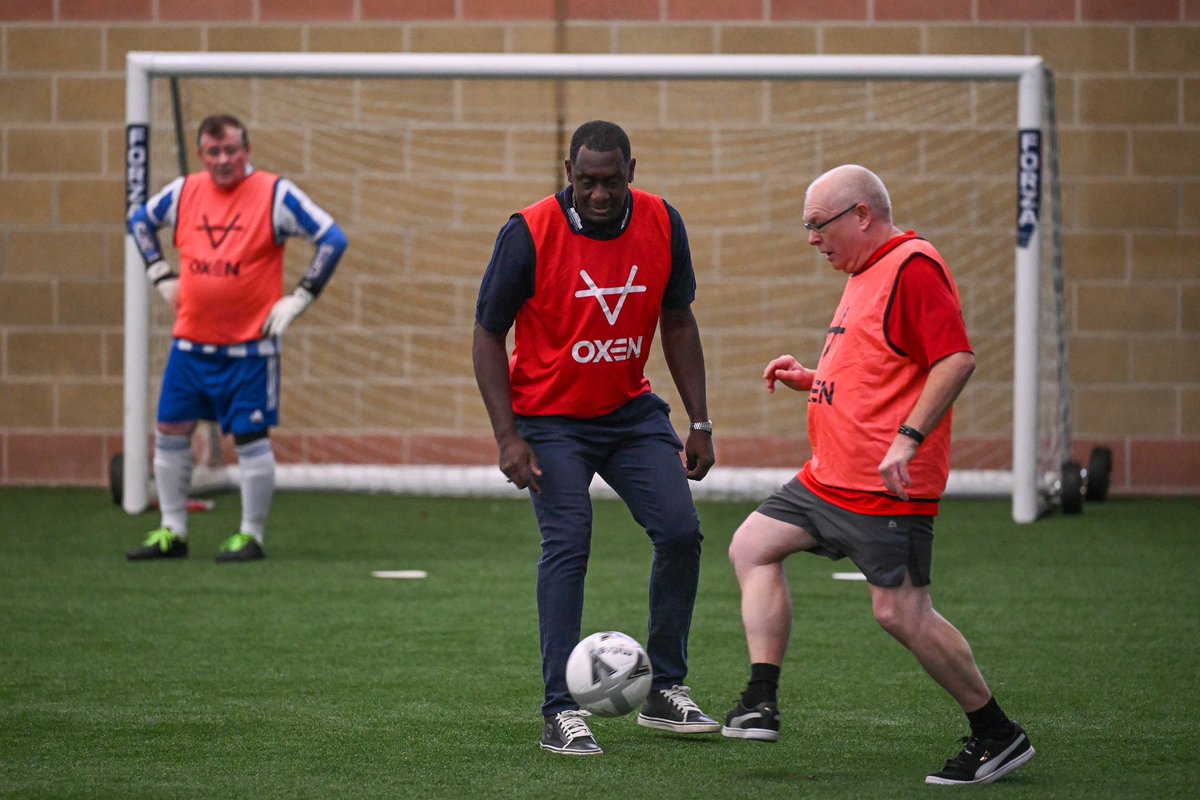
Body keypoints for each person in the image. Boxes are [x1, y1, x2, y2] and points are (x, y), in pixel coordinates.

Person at [720, 165, 1034, 786]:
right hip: (825, 480)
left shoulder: (913, 265)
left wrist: (908, 440)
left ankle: (997, 733)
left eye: (818, 225)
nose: (811, 239)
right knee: (752, 545)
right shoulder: (864, 270)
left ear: (861, 214)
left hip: (884, 486)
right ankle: (760, 698)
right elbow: (880, 365)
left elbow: (955, 359)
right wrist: (812, 378)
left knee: (900, 614)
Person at [473, 120, 719, 756]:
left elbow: (678, 318)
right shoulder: (528, 233)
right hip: (549, 420)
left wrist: (698, 420)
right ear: (568, 173)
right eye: (587, 181)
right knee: (569, 539)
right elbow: (487, 334)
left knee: (680, 532)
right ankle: (559, 709)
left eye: (612, 181)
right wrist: (508, 437)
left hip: (628, 413)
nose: (600, 194)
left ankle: (666, 690)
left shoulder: (665, 222)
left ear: (632, 171)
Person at [125, 114, 348, 563]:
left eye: (231, 150)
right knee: (170, 429)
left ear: (246, 150)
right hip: (190, 345)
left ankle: (250, 535)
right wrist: (160, 273)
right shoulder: (185, 191)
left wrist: (300, 297)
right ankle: (173, 530)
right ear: (203, 153)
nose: (223, 160)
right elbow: (139, 220)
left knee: (250, 438)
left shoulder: (275, 194)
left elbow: (332, 238)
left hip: (250, 350)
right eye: (213, 151)